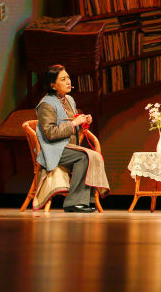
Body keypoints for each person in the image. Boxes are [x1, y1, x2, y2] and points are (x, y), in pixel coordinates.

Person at [34, 64, 110, 213]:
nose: (68, 81)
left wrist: (83, 122)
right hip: (53, 149)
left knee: (92, 155)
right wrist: (74, 123)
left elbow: (72, 123)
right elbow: (50, 133)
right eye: (63, 79)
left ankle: (87, 200)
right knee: (84, 157)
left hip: (68, 147)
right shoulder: (46, 104)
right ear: (53, 85)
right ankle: (74, 202)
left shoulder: (69, 99)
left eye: (68, 77)